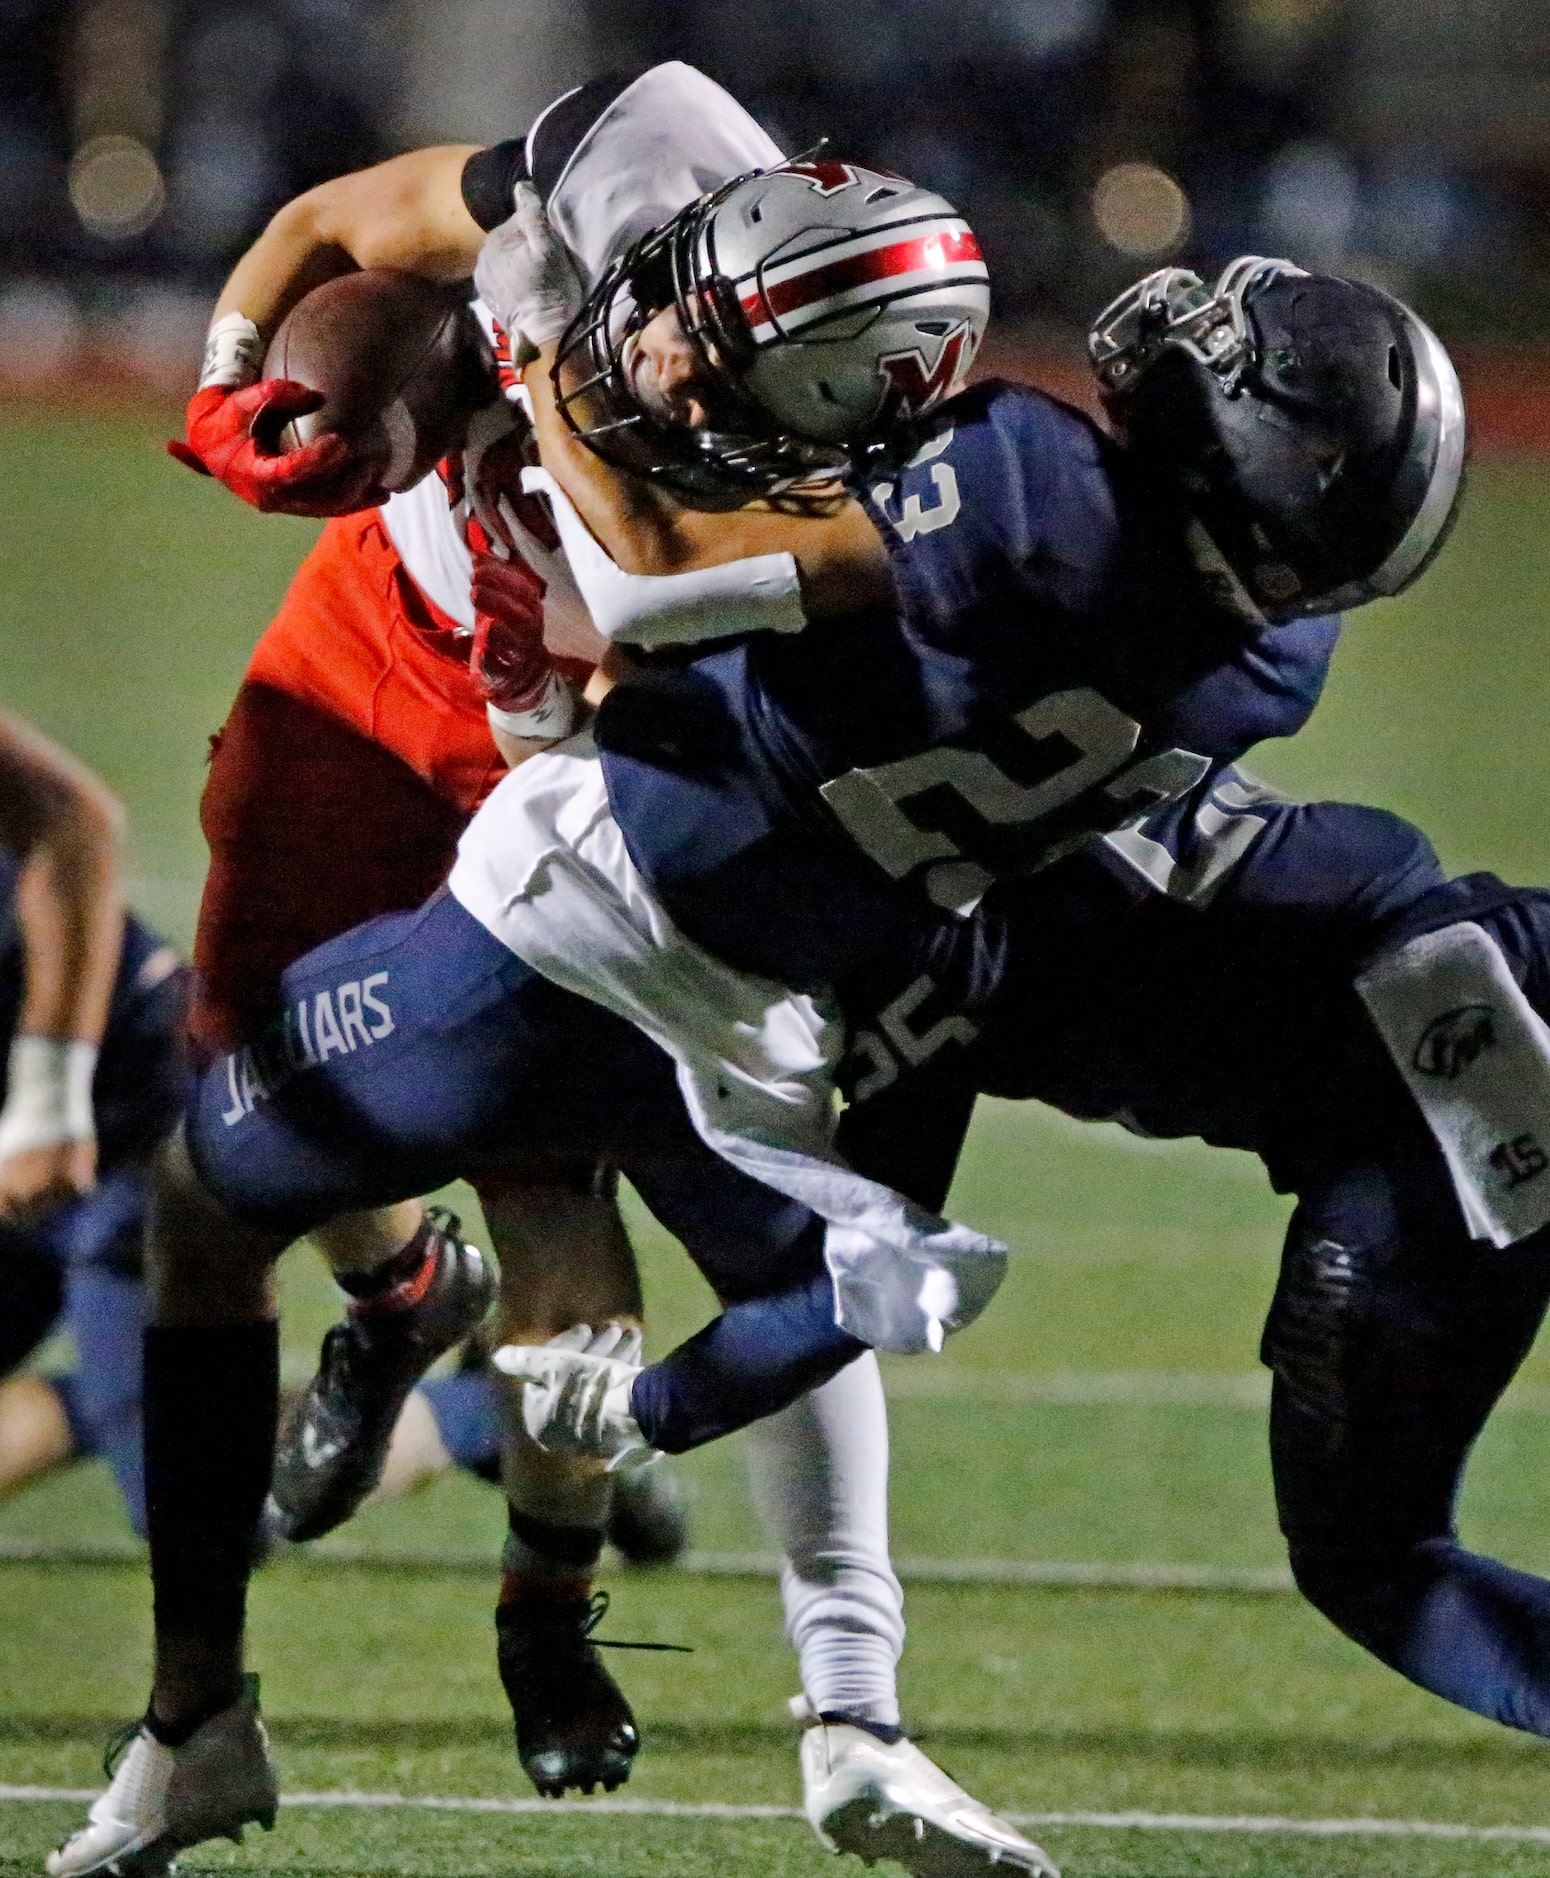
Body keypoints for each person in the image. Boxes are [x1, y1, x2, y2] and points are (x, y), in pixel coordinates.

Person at [46, 68, 1051, 1878]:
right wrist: (232, 363)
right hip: (383, 645)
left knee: (572, 1256)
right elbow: (334, 222)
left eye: (713, 380)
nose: (659, 363)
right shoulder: (633, 159)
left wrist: (516, 352)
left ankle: (547, 1600)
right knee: (239, 1101)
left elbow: (657, 596)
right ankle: (393, 1291)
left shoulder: (884, 514)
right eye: (677, 315)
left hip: (603, 763)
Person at [0, 710, 185, 1538]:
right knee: (159, 1435)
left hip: (128, 1107)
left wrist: (45, 1099)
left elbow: (73, 821)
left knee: (196, 1511)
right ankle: (119, 1408)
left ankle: (486, 1415)